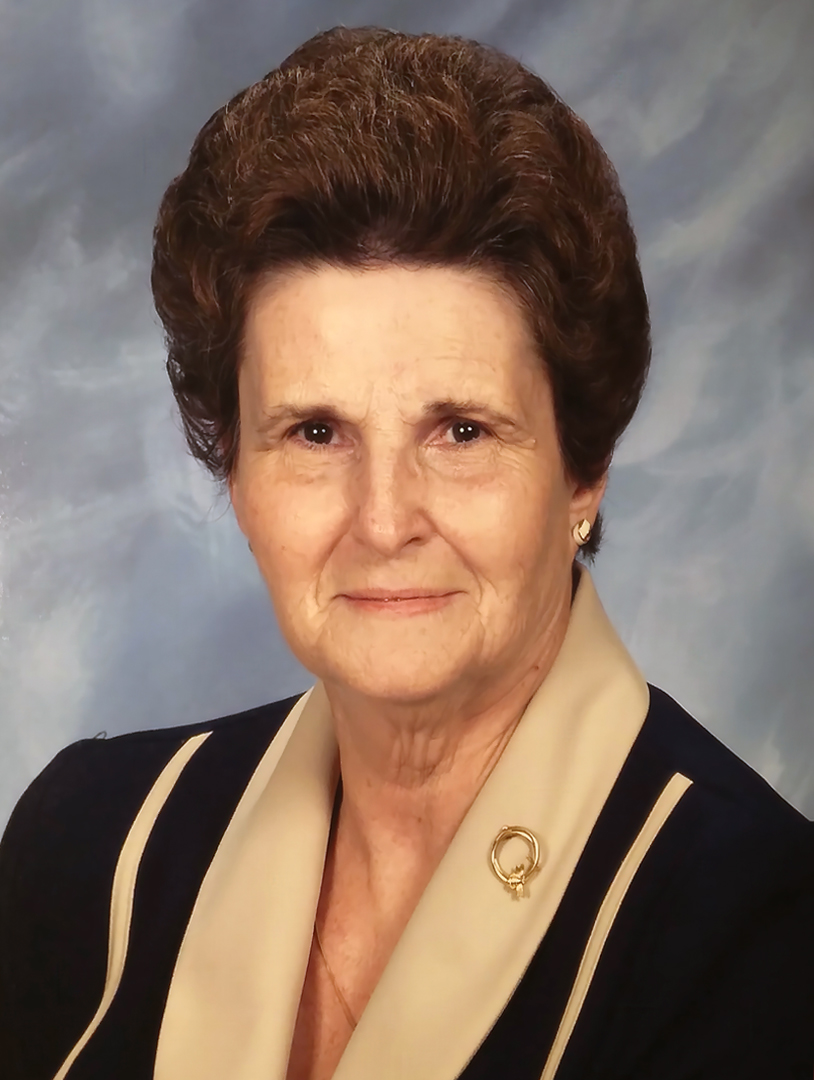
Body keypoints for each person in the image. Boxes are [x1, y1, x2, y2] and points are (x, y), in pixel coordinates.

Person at [0, 24, 811, 1080]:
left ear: (583, 470)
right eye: (315, 433)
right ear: (235, 473)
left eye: (460, 431)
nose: (384, 521)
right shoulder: (90, 850)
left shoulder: (757, 938)